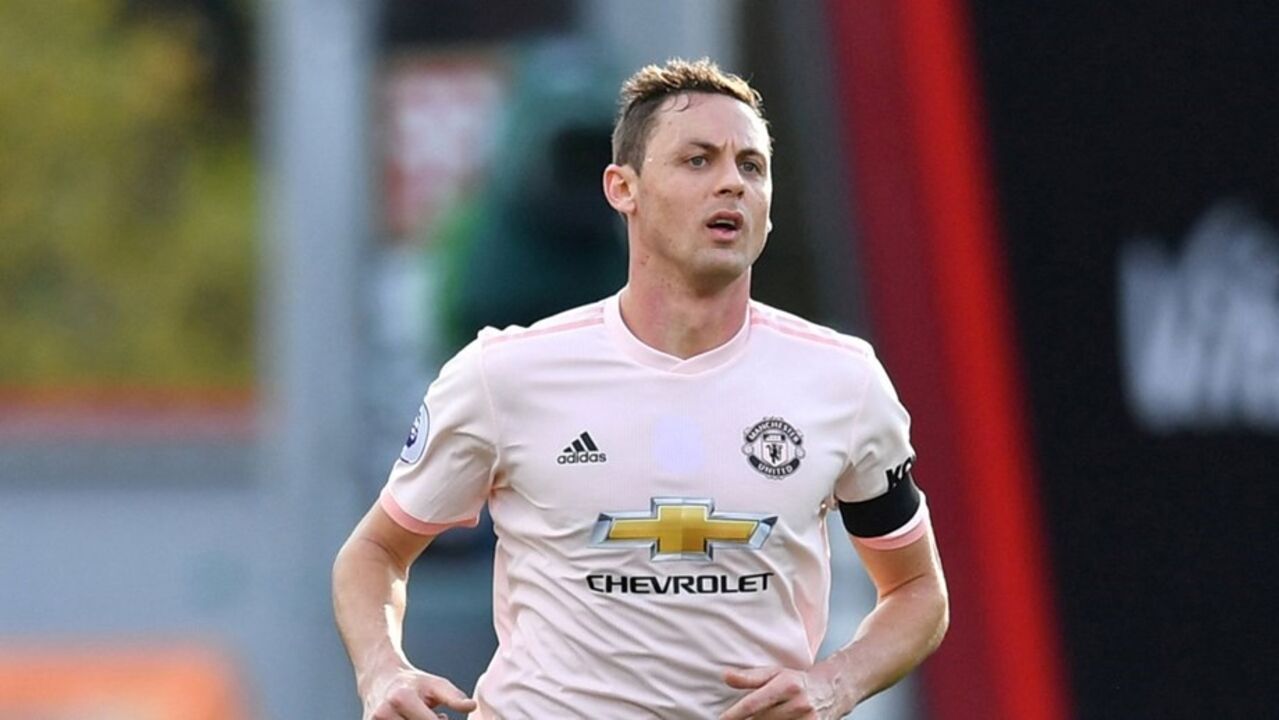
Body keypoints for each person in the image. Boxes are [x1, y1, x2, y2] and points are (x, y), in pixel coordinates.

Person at [333, 58, 948, 719]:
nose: (731, 183)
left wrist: (835, 684)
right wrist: (382, 671)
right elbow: (374, 552)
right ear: (622, 188)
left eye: (751, 166)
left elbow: (917, 590)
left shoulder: (842, 380)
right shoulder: (504, 374)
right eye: (698, 160)